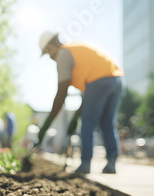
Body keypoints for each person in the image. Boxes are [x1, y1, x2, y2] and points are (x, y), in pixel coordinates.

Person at [37, 31, 124, 174]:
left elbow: (62, 92)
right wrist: (75, 117)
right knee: (107, 124)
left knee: (88, 124)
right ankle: (111, 163)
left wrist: (46, 125)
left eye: (48, 54)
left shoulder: (63, 54)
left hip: (98, 82)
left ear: (50, 48)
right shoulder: (75, 49)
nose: (50, 57)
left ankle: (85, 164)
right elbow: (87, 98)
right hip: (116, 79)